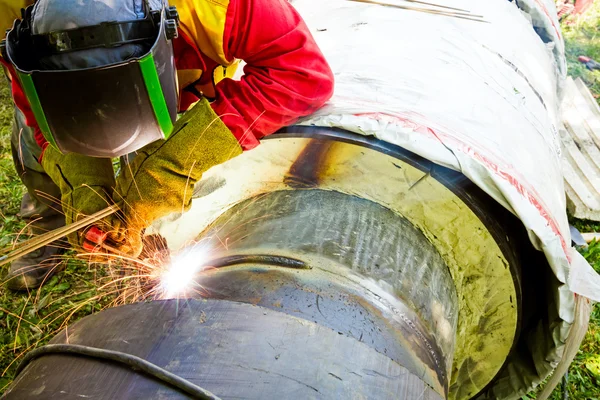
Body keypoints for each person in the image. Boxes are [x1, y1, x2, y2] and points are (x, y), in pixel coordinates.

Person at [0, 0, 334, 290]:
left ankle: (151, 233)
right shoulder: (10, 19)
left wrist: (173, 162)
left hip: (187, 76)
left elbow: (303, 76)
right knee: (33, 141)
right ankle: (45, 228)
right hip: (55, 86)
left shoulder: (221, 7)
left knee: (158, 150)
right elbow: (35, 113)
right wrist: (82, 188)